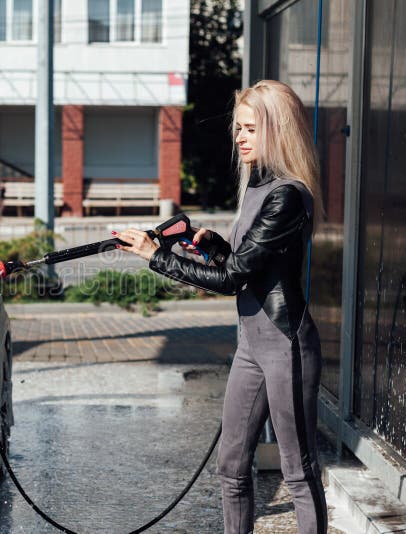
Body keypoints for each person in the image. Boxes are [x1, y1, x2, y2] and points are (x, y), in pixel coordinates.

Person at [115, 80, 327, 534]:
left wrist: (157, 258)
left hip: (286, 347)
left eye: (250, 128)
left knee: (298, 470)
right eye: (238, 128)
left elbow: (235, 278)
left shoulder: (288, 195)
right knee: (231, 465)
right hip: (252, 347)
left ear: (276, 129)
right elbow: (244, 262)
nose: (240, 137)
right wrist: (210, 245)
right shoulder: (257, 187)